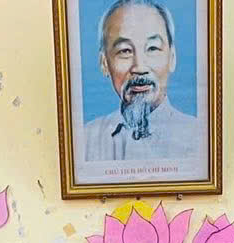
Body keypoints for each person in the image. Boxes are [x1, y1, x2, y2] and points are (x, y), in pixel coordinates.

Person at [79, 1, 204, 168]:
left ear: (172, 58)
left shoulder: (200, 139)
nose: (139, 67)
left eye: (152, 48)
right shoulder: (84, 142)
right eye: (125, 51)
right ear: (104, 63)